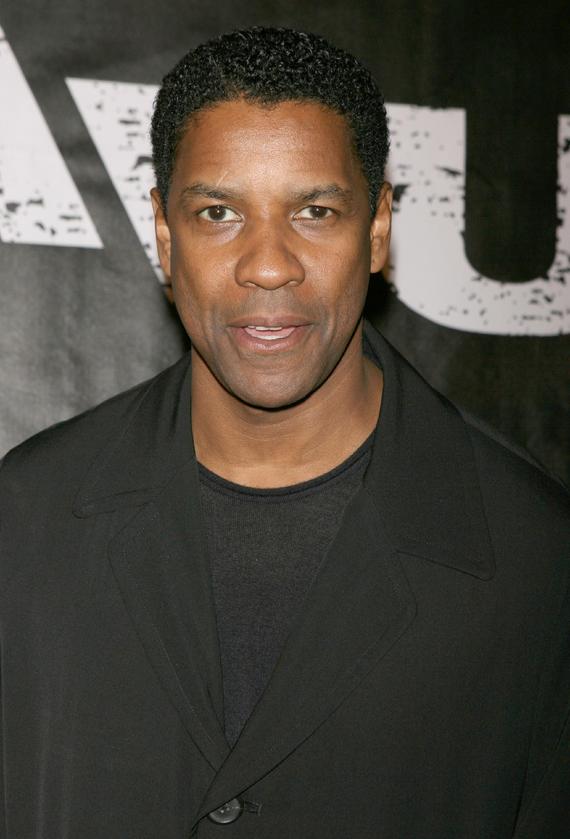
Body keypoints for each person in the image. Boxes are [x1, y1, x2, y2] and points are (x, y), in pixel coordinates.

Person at [0, 26, 568, 839]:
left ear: (377, 229)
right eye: (219, 212)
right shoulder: (25, 521)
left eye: (315, 211)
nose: (268, 265)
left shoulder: (536, 562)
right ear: (165, 234)